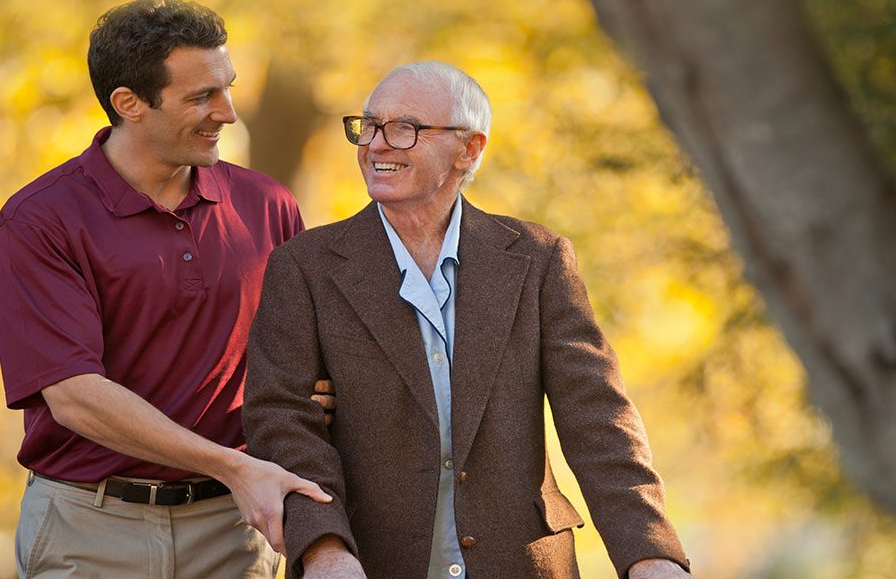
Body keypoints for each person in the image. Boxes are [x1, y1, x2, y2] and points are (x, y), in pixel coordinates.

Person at [244, 61, 692, 579]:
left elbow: (598, 418)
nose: (377, 144)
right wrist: (324, 548)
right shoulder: (304, 266)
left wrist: (650, 553)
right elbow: (281, 420)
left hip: (522, 562)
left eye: (405, 128)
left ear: (470, 148)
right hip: (365, 562)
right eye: (368, 125)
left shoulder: (537, 258)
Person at [0, 0, 332, 579]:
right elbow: (74, 397)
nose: (227, 113)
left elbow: (303, 363)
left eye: (228, 88)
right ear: (129, 104)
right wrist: (236, 466)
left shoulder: (267, 205)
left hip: (233, 529)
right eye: (201, 96)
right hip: (90, 529)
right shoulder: (40, 221)